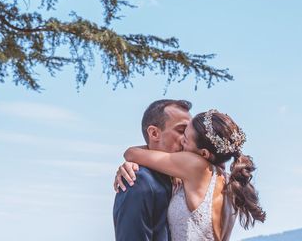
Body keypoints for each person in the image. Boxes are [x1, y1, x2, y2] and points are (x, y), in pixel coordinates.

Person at [117, 109, 266, 241]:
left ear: (204, 153)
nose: (181, 141)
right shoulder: (229, 183)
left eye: (186, 139)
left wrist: (132, 162)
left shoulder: (195, 166)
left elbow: (131, 153)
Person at [113, 99, 192, 241]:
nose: (188, 140)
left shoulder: (187, 177)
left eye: (190, 133)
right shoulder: (138, 181)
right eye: (181, 131)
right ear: (154, 133)